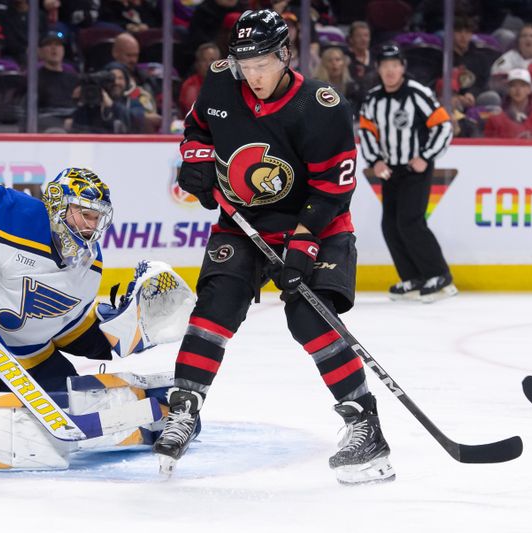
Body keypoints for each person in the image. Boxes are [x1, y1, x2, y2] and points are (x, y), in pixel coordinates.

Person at [151, 9, 395, 485]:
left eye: (262, 63)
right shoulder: (222, 82)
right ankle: (185, 407)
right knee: (215, 307)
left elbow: (332, 190)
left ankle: (365, 425)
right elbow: (197, 128)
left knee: (309, 315)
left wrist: (303, 248)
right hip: (244, 222)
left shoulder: (322, 106)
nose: (253, 74)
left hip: (319, 224)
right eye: (245, 63)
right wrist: (197, 159)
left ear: (285, 55)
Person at [0, 167, 191, 395]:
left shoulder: (90, 265)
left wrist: (113, 336)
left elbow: (65, 329)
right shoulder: (12, 212)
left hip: (24, 360)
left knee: (76, 406)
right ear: (57, 203)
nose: (91, 226)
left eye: (97, 218)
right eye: (85, 214)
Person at [358, 44, 456, 303]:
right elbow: (366, 131)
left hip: (416, 168)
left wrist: (426, 156)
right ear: (378, 69)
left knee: (410, 221)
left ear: (402, 67)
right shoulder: (373, 98)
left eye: (395, 65)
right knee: (390, 224)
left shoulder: (417, 93)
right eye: (385, 65)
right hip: (391, 170)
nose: (390, 70)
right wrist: (375, 160)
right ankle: (413, 277)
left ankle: (440, 276)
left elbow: (443, 125)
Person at [483, 68, 532, 138]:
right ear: (508, 88)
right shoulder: (496, 117)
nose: (518, 89)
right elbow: (488, 144)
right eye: (513, 85)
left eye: (522, 85)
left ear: (529, 89)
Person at [490, 23, 532, 94]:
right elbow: (496, 80)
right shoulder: (509, 57)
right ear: (518, 41)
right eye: (524, 36)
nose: (528, 39)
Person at [179, 42, 221, 116]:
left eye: (212, 60)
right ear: (197, 64)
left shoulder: (228, 83)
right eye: (204, 60)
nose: (208, 64)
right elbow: (195, 113)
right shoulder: (190, 85)